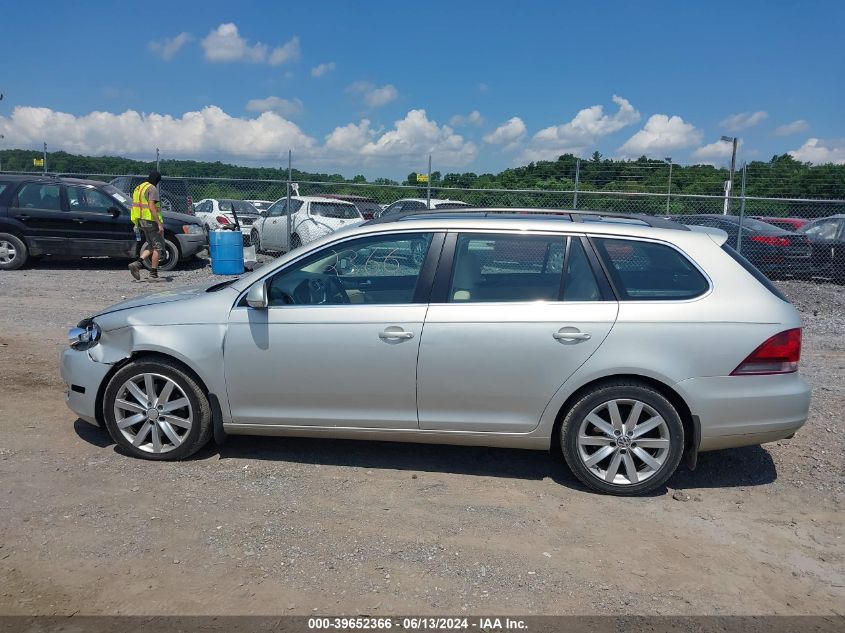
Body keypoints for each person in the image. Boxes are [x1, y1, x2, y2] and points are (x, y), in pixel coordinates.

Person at [128, 171, 165, 280]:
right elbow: (151, 206)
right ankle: (153, 274)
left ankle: (137, 264)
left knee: (151, 246)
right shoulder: (152, 188)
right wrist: (159, 224)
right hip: (150, 221)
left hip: (141, 221)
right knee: (158, 247)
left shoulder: (139, 187)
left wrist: (136, 223)